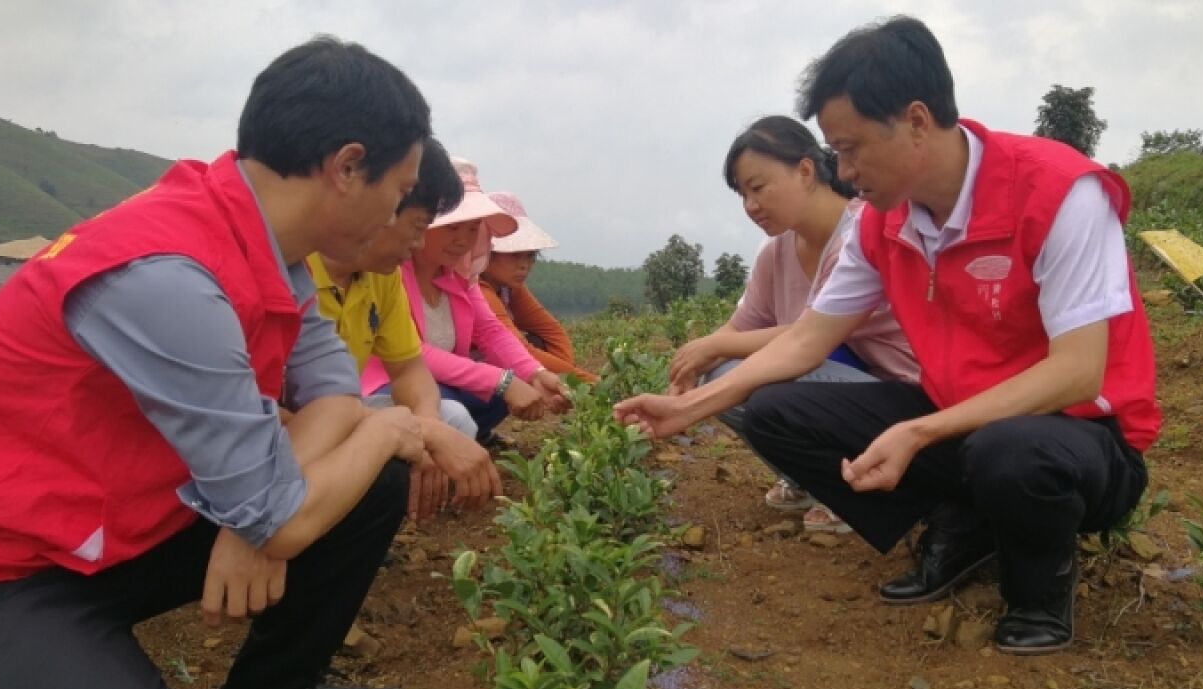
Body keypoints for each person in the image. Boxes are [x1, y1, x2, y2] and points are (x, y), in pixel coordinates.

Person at [0, 38, 496, 689]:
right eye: (402, 194)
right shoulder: (171, 277)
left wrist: (252, 520)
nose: (399, 222)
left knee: (370, 483)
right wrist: (390, 430)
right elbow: (298, 497)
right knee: (369, 460)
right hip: (14, 566)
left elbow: (337, 397)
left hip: (123, 526)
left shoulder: (272, 251)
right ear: (348, 167)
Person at [615, 16, 1159, 656]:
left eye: (850, 148)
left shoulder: (1057, 192)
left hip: (1078, 437)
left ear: (917, 121)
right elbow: (804, 342)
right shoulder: (883, 225)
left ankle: (1039, 586)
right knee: (772, 410)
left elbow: (1077, 372)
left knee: (1010, 451)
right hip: (959, 418)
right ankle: (966, 524)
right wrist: (689, 408)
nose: (842, 169)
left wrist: (921, 430)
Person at [668, 115, 918, 533]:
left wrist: (717, 348)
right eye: (742, 194)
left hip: (900, 393)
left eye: (758, 187)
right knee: (723, 373)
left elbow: (813, 335)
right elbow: (739, 329)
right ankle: (811, 480)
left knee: (761, 372)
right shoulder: (776, 253)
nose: (750, 205)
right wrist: (696, 360)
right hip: (844, 385)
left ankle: (853, 493)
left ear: (805, 170)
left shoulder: (860, 234)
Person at [307, 137, 499, 522]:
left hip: (341, 413)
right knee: (392, 458)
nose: (418, 244)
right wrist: (417, 432)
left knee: (450, 419)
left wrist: (425, 425)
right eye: (418, 227)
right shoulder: (299, 270)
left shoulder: (383, 276)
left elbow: (410, 368)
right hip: (299, 427)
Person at [361, 159, 571, 443]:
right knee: (465, 399)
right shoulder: (391, 273)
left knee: (500, 392)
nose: (463, 240)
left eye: (472, 229)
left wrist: (535, 373)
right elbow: (412, 352)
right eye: (452, 228)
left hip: (442, 384)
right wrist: (501, 381)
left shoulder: (460, 277)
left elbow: (490, 330)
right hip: (390, 383)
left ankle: (471, 435)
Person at [479, 190, 600, 383]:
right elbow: (519, 352)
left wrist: (564, 373)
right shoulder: (480, 291)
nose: (524, 265)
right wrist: (588, 382)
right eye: (514, 254)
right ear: (487, 251)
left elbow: (551, 330)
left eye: (530, 256)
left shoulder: (507, 287)